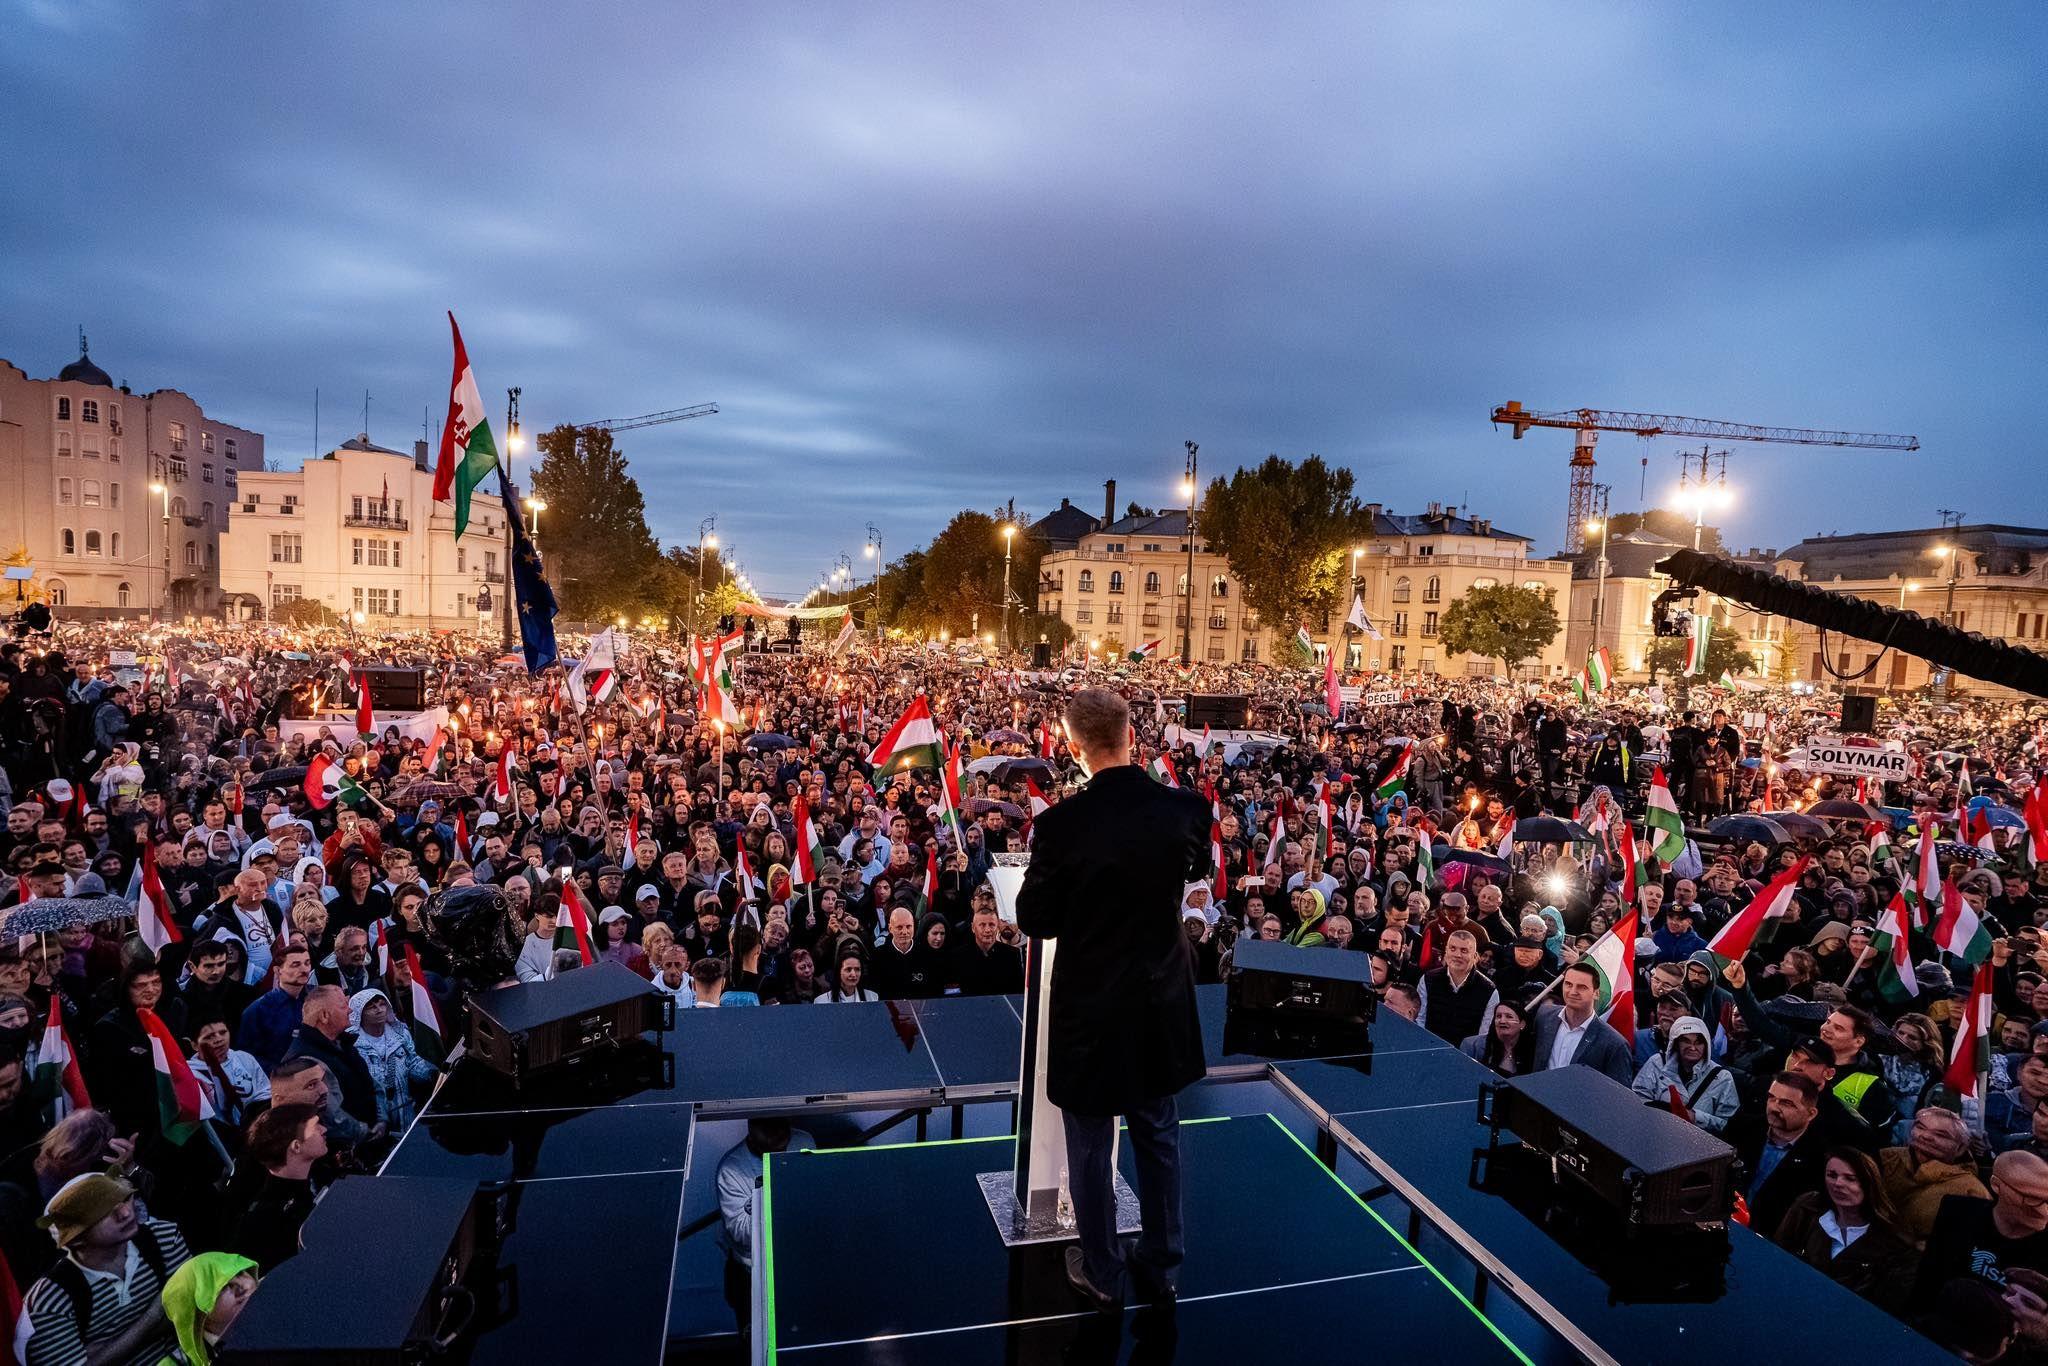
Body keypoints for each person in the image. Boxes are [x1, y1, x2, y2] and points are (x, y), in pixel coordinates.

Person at [1016, 688, 1207, 1309]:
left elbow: (1036, 918)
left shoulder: (1061, 825)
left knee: (1092, 1141)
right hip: (1159, 1000)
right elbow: (1193, 867)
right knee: (1157, 1129)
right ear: (1132, 736)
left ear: (1073, 747)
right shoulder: (1183, 810)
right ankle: (1163, 1260)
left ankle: (1101, 1268)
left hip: (1092, 1010)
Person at [19, 1172, 191, 1366]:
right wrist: (154, 1314)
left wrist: (103, 1352)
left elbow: (196, 1309)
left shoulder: (163, 1237)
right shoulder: (50, 1300)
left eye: (125, 1199)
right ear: (75, 1238)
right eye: (104, 1212)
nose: (125, 1213)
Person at [1771, 1147, 1915, 1303]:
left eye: (1850, 1178)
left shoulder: (1894, 1244)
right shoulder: (1806, 1210)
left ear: (1868, 1183)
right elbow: (1776, 1257)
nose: (1838, 1183)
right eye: (1832, 1175)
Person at [713, 1119, 813, 1332]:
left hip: (794, 1265)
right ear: (751, 1131)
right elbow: (741, 1232)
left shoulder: (803, 1141)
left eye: (783, 1147)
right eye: (770, 1150)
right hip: (750, 1273)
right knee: (756, 1340)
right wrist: (773, 1195)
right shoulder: (731, 1170)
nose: (779, 1154)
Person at [1730, 1072, 1831, 1237]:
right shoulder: (1743, 1129)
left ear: (1811, 1114)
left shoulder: (1820, 1158)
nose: (1773, 1107)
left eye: (1786, 1103)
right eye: (1771, 1098)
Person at [230, 1104, 328, 1272]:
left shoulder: (317, 1173)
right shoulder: (272, 1220)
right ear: (296, 1146)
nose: (324, 1129)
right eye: (316, 1126)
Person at [1631, 1014, 1740, 1133]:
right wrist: (1660, 1111)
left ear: (1706, 1045)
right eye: (1686, 1041)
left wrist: (1695, 1117)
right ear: (1675, 1043)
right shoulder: (1657, 1063)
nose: (1692, 1048)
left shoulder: (1722, 1077)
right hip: (1657, 1135)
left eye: (1698, 1042)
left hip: (1701, 1146)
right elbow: (1637, 1099)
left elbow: (1728, 1124)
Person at [1530, 962, 1634, 1085]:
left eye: (1582, 987)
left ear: (1596, 993)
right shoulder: (1544, 1016)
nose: (1573, 991)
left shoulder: (1614, 1043)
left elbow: (1619, 1094)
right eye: (1568, 984)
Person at [347, 988, 437, 1129]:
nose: (379, 1010)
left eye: (382, 1004)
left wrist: (433, 1075)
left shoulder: (400, 1033)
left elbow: (413, 1061)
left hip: (404, 1108)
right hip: (371, 1115)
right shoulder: (351, 1043)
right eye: (372, 1007)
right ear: (359, 1014)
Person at [158, 1252, 259, 1366]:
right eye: (222, 1288)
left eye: (240, 1273)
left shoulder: (280, 1292)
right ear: (199, 1318)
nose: (242, 1287)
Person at [1418, 928, 1498, 1045]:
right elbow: (1420, 1020)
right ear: (1446, 952)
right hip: (1428, 1048)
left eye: (1464, 950)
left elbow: (1482, 1037)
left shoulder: (1489, 990)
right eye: (1453, 949)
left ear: (1475, 956)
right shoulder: (1428, 979)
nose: (1457, 955)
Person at [1461, 1000, 1535, 1077]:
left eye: (1509, 1016)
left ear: (1522, 1024)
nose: (1502, 1021)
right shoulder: (1472, 1045)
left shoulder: (1532, 1049)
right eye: (1498, 1016)